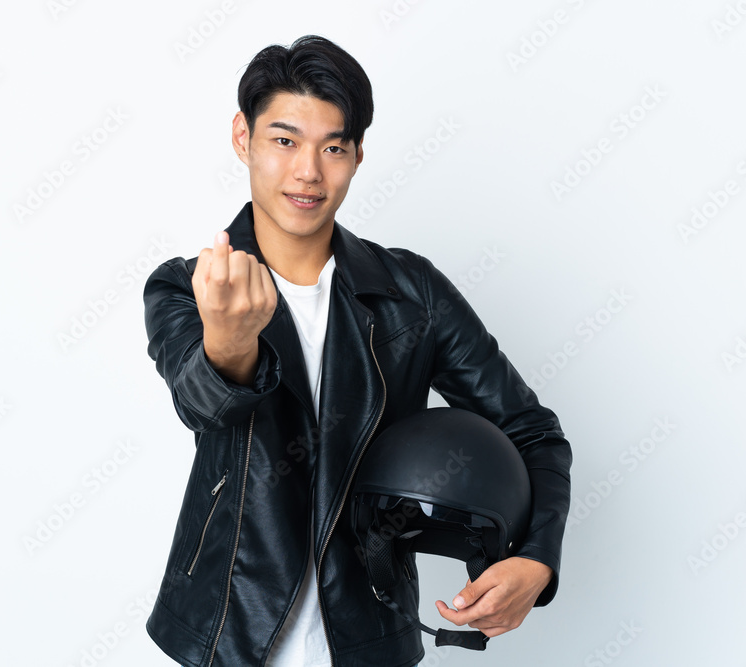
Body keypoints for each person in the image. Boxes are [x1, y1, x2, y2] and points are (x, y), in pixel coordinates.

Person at [142, 34, 572, 667]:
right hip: (224, 634)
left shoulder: (413, 293)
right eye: (284, 141)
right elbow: (202, 404)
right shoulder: (189, 286)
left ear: (357, 155)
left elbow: (532, 431)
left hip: (372, 636)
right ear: (243, 138)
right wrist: (230, 342)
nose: (308, 172)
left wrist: (536, 558)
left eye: (333, 147)